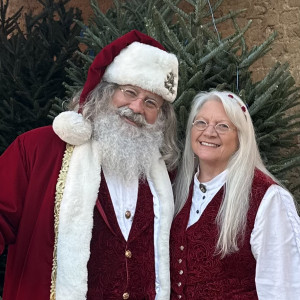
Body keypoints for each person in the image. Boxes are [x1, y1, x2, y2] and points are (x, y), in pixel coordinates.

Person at [0, 30, 180, 300]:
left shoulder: (165, 175)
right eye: (129, 91)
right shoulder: (37, 150)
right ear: (105, 93)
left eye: (151, 102)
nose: (137, 107)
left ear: (160, 116)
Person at [170, 90, 300, 299]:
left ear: (240, 137)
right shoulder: (175, 187)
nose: (209, 132)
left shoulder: (267, 197)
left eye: (223, 126)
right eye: (201, 122)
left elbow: (283, 287)